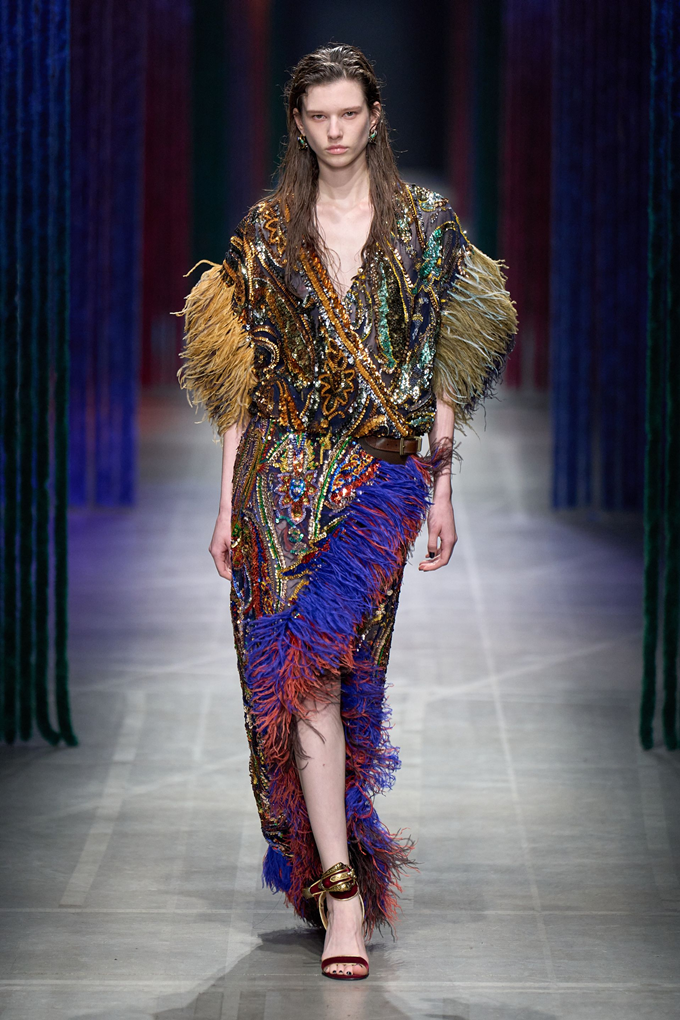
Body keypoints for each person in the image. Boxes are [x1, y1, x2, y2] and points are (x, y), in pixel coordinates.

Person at [178, 43, 517, 981]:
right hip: (280, 478)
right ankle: (342, 897)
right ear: (298, 122)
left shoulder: (426, 225)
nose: (334, 131)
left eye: (348, 114)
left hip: (377, 487)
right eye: (318, 116)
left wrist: (441, 486)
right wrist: (225, 503)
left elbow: (446, 361)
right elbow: (239, 379)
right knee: (303, 681)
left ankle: (337, 860)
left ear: (374, 117)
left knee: (349, 674)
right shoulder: (263, 233)